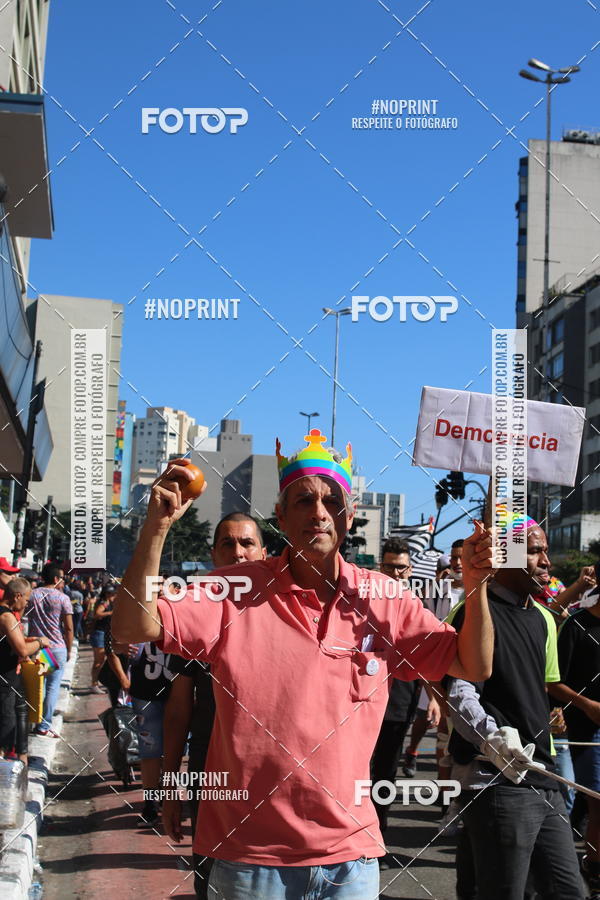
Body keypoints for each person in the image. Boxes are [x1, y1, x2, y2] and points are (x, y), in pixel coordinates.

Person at [113, 429, 493, 899]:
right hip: (248, 860)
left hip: (350, 862)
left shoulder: (385, 598)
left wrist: (475, 586)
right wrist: (156, 527)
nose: (318, 512)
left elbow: (472, 666)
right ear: (280, 517)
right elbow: (132, 628)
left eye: (331, 501)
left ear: (349, 517)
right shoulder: (233, 589)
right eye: (303, 500)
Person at [446, 514, 585, 900]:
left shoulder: (543, 618)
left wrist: (545, 713)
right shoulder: (473, 611)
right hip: (496, 782)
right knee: (505, 892)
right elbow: (459, 692)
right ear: (505, 557)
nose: (546, 562)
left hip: (544, 776)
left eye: (546, 551)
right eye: (535, 551)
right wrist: (492, 740)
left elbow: (533, 685)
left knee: (568, 890)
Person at [162, 513, 267, 898]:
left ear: (264, 551)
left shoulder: (291, 612)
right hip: (212, 780)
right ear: (213, 554)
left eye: (247, 543)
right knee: (212, 884)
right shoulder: (195, 615)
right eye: (227, 543)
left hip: (280, 782)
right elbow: (177, 709)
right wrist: (170, 789)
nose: (238, 552)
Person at [370, 538, 440, 859]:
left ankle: (376, 835)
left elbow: (424, 658)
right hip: (361, 702)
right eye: (389, 567)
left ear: (410, 571)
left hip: (399, 703)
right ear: (379, 567)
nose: (396, 573)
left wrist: (433, 698)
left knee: (385, 772)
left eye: (401, 567)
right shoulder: (364, 603)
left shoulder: (417, 609)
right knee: (355, 771)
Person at [549, 588, 600, 899]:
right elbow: (552, 682)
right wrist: (586, 705)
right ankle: (594, 872)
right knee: (598, 802)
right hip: (587, 731)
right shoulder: (576, 625)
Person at [0, 578, 51, 758]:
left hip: (9, 679)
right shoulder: (6, 617)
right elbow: (21, 650)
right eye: (27, 599)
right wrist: (40, 642)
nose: (27, 603)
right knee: (5, 729)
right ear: (18, 596)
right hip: (5, 681)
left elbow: (13, 642)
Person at [25, 563, 73, 738]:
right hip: (56, 647)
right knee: (52, 688)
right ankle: (44, 725)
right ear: (55, 578)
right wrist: (68, 649)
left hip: (37, 647)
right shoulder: (63, 599)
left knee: (39, 686)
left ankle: (34, 720)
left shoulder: (32, 595)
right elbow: (68, 628)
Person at [90, 584, 116, 693]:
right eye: (113, 594)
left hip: (105, 633)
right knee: (98, 662)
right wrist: (110, 613)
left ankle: (100, 682)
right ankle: (94, 684)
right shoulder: (104, 603)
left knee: (107, 660)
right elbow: (97, 614)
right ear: (108, 594)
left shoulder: (109, 603)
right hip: (100, 634)